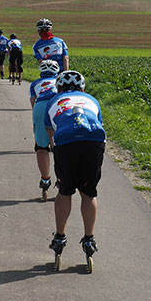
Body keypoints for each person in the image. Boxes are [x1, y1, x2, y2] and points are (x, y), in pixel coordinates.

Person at [44, 70, 106, 271]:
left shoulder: (53, 101)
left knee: (65, 190)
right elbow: (98, 123)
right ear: (82, 88)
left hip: (66, 143)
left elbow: (51, 136)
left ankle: (60, 237)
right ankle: (89, 238)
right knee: (89, 192)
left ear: (59, 88)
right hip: (94, 142)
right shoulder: (92, 100)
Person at [29, 59, 60, 201]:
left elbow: (33, 103)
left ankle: (45, 179)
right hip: (59, 103)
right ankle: (62, 179)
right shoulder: (60, 80)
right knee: (60, 146)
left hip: (41, 105)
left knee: (41, 147)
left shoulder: (35, 84)